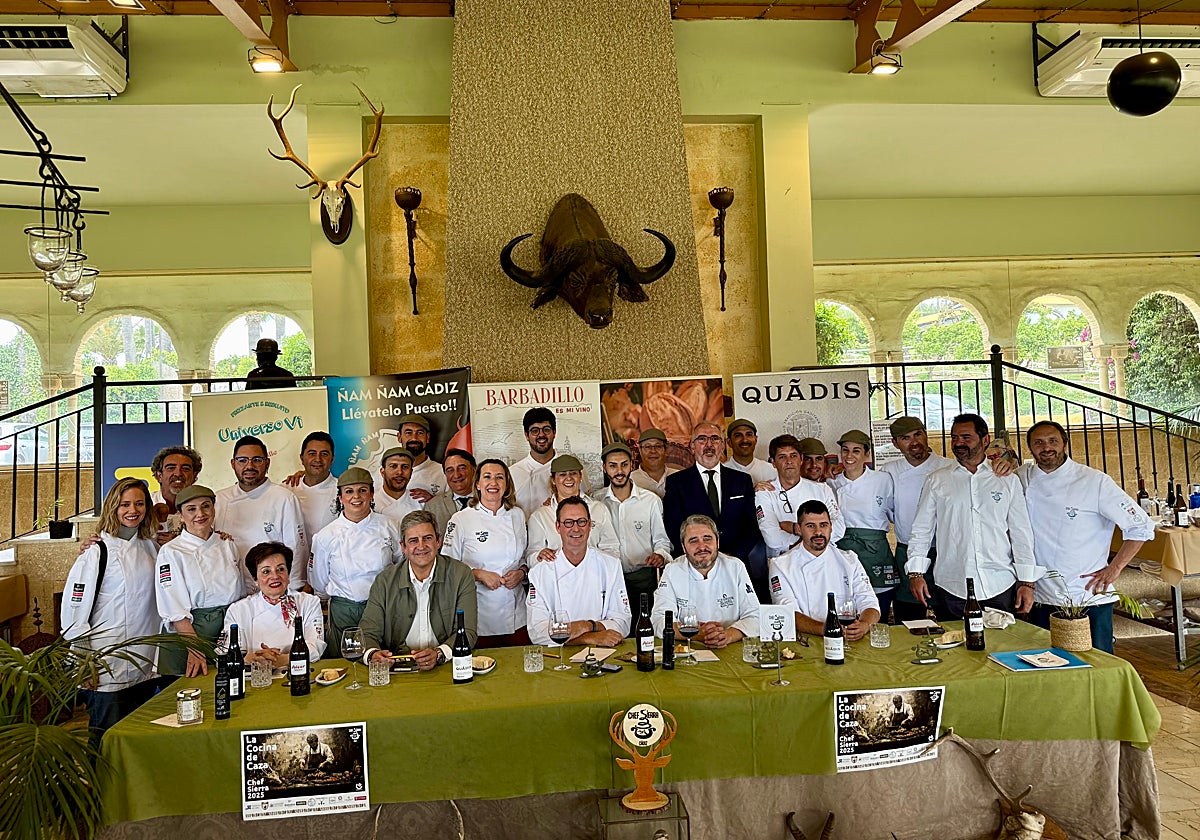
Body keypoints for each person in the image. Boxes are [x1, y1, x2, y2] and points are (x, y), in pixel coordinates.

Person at [1017, 420, 1154, 653]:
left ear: (1065, 444)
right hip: (1039, 594)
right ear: (1030, 448)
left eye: (1053, 441)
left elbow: (1141, 527)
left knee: (1097, 666)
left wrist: (1115, 568)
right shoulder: (1021, 477)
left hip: (1087, 594)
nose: (1046, 447)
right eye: (1038, 443)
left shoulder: (1094, 481)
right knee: (1047, 667)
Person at [905, 413, 1040, 617]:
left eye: (966, 437)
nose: (959, 443)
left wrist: (1027, 582)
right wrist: (916, 573)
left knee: (1002, 646)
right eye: (955, 437)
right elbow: (922, 530)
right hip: (952, 584)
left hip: (1000, 583)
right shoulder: (937, 480)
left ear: (985, 440)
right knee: (956, 646)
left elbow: (1021, 533)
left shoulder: (1006, 479)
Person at [62, 477, 162, 745]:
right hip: (107, 664)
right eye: (125, 504)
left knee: (135, 742)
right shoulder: (97, 550)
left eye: (139, 503)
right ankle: (100, 788)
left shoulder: (150, 547)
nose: (133, 510)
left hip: (144, 663)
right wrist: (84, 659)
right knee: (106, 740)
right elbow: (75, 606)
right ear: (113, 508)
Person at [154, 484, 253, 677]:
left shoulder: (227, 544)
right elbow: (174, 609)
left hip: (226, 632)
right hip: (190, 636)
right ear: (181, 515)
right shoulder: (172, 552)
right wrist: (195, 649)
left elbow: (242, 591)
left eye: (206, 506)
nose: (200, 513)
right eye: (191, 509)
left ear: (214, 510)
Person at [361, 510, 478, 670]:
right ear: (403, 547)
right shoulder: (385, 581)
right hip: (397, 669)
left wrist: (439, 654)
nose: (421, 546)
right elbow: (367, 632)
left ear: (438, 541)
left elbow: (467, 632)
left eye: (427, 538)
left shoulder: (460, 574)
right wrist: (374, 654)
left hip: (447, 665)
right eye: (413, 540)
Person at [308, 467, 404, 657]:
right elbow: (318, 581)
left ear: (371, 494)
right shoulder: (326, 536)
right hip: (344, 611)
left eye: (362, 490)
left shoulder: (390, 526)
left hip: (383, 608)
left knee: (385, 660)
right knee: (346, 664)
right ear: (340, 497)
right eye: (349, 491)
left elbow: (401, 563)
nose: (356, 497)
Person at [663, 421, 763, 587]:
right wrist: (700, 557)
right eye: (702, 439)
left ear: (723, 445)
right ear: (692, 446)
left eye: (715, 439)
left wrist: (731, 557)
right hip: (694, 567)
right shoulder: (677, 483)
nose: (709, 445)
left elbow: (751, 525)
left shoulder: (741, 480)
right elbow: (674, 527)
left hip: (736, 565)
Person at [442, 459, 529, 647]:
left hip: (518, 613)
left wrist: (521, 573)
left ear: (507, 485)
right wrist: (479, 574)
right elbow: (446, 566)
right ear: (478, 484)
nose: (494, 483)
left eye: (500, 478)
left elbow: (523, 556)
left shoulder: (517, 515)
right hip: (480, 615)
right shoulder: (461, 519)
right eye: (487, 477)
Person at [878, 416, 955, 623]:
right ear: (895, 443)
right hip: (907, 551)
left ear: (926, 434)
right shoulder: (889, 471)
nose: (914, 442)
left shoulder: (949, 467)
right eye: (905, 438)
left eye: (918, 435)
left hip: (945, 552)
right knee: (909, 618)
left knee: (950, 616)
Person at [768, 500, 880, 642]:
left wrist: (864, 625)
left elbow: (870, 602)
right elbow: (788, 613)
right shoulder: (781, 565)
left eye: (824, 525)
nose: (818, 532)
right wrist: (828, 629)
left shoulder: (849, 560)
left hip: (847, 639)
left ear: (831, 527)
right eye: (810, 526)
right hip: (804, 641)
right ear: (798, 528)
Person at [526, 497, 631, 646]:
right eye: (568, 522)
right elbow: (537, 632)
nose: (576, 529)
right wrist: (588, 638)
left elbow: (623, 622)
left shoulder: (610, 566)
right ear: (557, 527)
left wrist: (587, 626)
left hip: (604, 654)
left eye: (581, 521)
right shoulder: (540, 573)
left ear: (589, 525)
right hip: (559, 658)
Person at [215, 435, 310, 590]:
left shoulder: (284, 498)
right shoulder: (219, 499)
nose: (249, 466)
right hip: (229, 590)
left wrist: (293, 589)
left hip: (272, 590)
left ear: (267, 463)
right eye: (242, 460)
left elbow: (296, 549)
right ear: (233, 464)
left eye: (257, 460)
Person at [651, 514, 759, 647]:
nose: (702, 547)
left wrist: (728, 635)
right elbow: (659, 621)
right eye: (693, 540)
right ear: (684, 547)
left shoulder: (735, 567)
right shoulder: (672, 571)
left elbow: (755, 616)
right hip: (688, 648)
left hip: (731, 647)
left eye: (707, 539)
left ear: (717, 542)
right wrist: (697, 633)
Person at [829, 429, 899, 622]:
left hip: (875, 551)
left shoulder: (883, 480)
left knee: (879, 611)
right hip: (842, 550)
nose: (849, 456)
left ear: (867, 454)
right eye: (845, 450)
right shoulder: (830, 482)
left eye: (856, 451)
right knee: (846, 608)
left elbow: (893, 513)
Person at [220, 542, 326, 668]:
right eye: (266, 571)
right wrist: (251, 658)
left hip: (297, 671)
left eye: (281, 569)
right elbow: (225, 652)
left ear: (288, 573)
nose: (275, 576)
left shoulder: (309, 603)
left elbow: (316, 645)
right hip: (255, 675)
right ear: (255, 579)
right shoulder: (239, 610)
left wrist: (284, 659)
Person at [597, 442, 672, 620]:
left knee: (645, 630)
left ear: (632, 465)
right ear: (604, 468)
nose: (619, 471)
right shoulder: (596, 501)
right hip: (609, 579)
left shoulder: (650, 501)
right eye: (613, 466)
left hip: (644, 578)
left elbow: (662, 540)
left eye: (624, 464)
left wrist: (660, 555)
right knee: (614, 630)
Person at [755, 434, 845, 560]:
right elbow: (772, 539)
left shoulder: (822, 489)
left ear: (801, 459)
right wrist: (815, 536)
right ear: (773, 463)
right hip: (783, 561)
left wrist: (791, 528)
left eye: (793, 455)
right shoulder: (764, 492)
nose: (789, 461)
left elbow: (839, 527)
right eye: (782, 457)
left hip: (822, 559)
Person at [525, 454, 621, 564]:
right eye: (562, 474)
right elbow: (531, 557)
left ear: (580, 477)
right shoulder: (540, 516)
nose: (569, 478)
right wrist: (540, 556)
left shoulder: (598, 509)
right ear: (553, 480)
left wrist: (595, 564)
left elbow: (611, 548)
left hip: (594, 577)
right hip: (557, 578)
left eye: (573, 473)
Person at [287, 432, 339, 545]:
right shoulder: (286, 490)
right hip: (293, 560)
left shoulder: (343, 491)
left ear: (332, 459)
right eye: (312, 453)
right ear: (302, 458)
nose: (318, 459)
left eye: (324, 454)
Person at [510, 407, 557, 517]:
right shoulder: (512, 473)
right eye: (535, 431)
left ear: (554, 432)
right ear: (526, 435)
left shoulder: (572, 470)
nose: (541, 435)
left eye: (546, 429)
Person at [150, 445, 202, 545]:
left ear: (194, 476)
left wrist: (181, 542)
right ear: (159, 476)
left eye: (185, 468)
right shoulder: (144, 505)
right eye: (171, 468)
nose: (178, 473)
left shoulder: (204, 509)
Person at [425, 449, 477, 535]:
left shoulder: (490, 501)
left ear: (474, 470)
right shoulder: (432, 506)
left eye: (462, 468)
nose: (456, 475)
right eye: (450, 470)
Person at [398, 414, 444, 502]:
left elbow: (454, 508)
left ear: (427, 438)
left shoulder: (443, 472)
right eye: (408, 433)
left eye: (420, 433)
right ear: (399, 437)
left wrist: (434, 502)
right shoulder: (384, 474)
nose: (414, 438)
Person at [374, 447, 423, 521]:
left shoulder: (420, 502)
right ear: (382, 472)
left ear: (411, 472)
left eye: (405, 467)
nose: (399, 472)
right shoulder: (370, 501)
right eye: (393, 466)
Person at [725, 418, 775, 484]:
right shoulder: (721, 473)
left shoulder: (771, 470)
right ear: (729, 442)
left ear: (755, 439)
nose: (744, 440)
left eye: (749, 435)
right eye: (738, 435)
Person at [630, 428, 677, 498]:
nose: (653, 451)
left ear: (665, 449)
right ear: (640, 450)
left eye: (658, 446)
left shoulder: (679, 476)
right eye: (648, 446)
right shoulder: (631, 480)